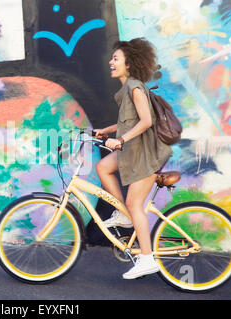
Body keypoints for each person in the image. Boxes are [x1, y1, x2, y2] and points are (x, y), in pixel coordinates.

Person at [94, 38, 173, 279]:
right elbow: (128, 121)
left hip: (145, 155)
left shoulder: (135, 87)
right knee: (103, 167)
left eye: (116, 58)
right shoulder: (127, 88)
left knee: (134, 203)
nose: (111, 62)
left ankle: (147, 258)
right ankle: (124, 216)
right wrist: (108, 132)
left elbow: (146, 121)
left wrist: (120, 140)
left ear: (129, 64)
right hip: (135, 151)